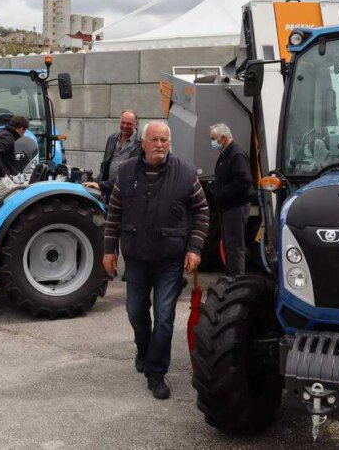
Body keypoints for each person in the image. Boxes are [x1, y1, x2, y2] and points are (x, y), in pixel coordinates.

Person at [103, 120, 209, 400]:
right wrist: (108, 249)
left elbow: (201, 213)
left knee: (164, 318)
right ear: (144, 142)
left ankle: (156, 372)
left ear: (169, 143)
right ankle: (143, 348)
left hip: (170, 261)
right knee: (135, 312)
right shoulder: (125, 173)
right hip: (136, 258)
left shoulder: (186, 173)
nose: (160, 145)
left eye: (164, 140)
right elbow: (114, 214)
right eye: (154, 140)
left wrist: (195, 248)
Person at [209, 123, 254, 275]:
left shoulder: (236, 154)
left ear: (223, 138)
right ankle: (231, 275)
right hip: (227, 207)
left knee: (235, 246)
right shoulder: (227, 154)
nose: (213, 142)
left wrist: (221, 193)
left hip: (235, 207)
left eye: (214, 139)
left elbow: (244, 181)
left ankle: (237, 278)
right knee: (228, 245)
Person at [91, 110, 140, 199]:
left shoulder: (141, 143)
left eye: (128, 124)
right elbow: (105, 164)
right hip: (109, 189)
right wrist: (100, 183)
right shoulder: (112, 138)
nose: (124, 126)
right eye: (122, 123)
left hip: (128, 192)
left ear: (136, 124)